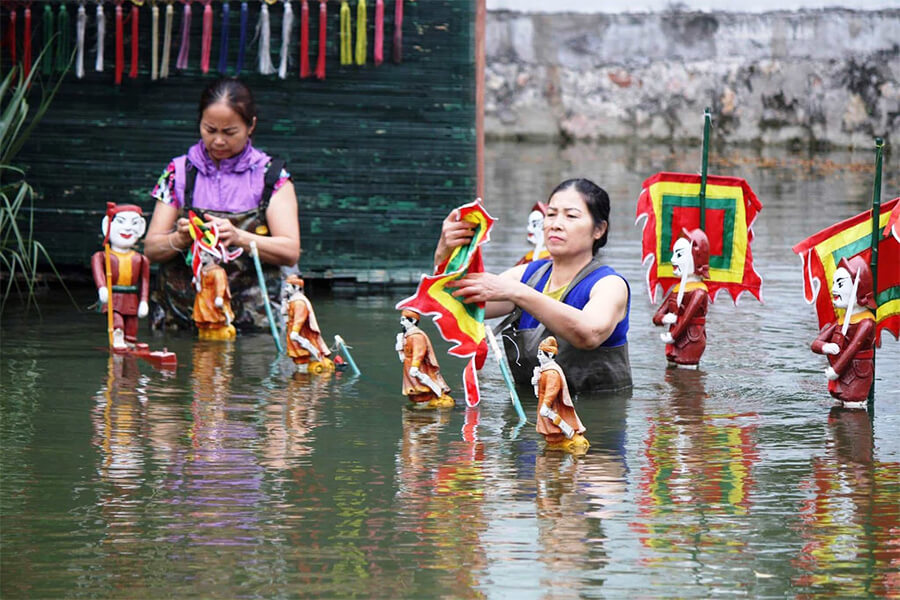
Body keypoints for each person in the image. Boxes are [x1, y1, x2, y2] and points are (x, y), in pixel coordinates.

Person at [438, 178, 631, 393]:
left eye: (571, 216)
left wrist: (518, 293)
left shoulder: (609, 285)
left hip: (595, 419)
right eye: (551, 214)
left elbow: (589, 334)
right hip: (531, 414)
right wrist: (445, 253)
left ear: (599, 230)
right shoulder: (528, 275)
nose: (555, 224)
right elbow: (455, 307)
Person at [144, 77, 300, 332]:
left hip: (254, 326)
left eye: (229, 132)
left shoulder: (273, 177)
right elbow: (151, 250)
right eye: (209, 129)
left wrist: (239, 237)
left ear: (251, 126)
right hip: (181, 321)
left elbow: (290, 250)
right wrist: (181, 239)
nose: (218, 141)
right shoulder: (178, 172)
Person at [810, 256, 876, 408]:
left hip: (856, 375)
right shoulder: (841, 320)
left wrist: (836, 370)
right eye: (834, 283)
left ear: (858, 287)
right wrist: (825, 347)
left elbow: (852, 349)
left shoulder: (866, 322)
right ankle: (835, 432)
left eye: (840, 284)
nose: (834, 289)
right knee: (837, 409)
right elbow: (816, 343)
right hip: (839, 376)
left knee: (854, 409)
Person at [91, 202, 151, 349]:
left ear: (141, 227)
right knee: (117, 322)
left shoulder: (141, 259)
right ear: (107, 225)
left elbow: (145, 282)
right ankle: (118, 340)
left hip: (131, 297)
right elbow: (99, 275)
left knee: (132, 324)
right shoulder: (102, 256)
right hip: (113, 297)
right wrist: (102, 289)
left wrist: (144, 301)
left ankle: (130, 344)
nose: (128, 228)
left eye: (134, 223)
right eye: (121, 222)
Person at [652, 228, 709, 368]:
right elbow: (657, 316)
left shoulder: (699, 292)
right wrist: (664, 319)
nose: (672, 260)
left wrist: (673, 336)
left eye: (679, 255)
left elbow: (687, 318)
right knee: (671, 374)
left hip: (690, 340)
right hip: (674, 339)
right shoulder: (677, 290)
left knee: (687, 377)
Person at [533, 336, 589, 453]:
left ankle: (564, 438)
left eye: (541, 354)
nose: (538, 356)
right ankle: (554, 443)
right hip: (543, 402)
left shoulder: (552, 372)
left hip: (551, 405)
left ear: (550, 355)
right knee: (547, 426)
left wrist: (546, 404)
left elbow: (551, 390)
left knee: (553, 422)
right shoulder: (544, 371)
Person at [396, 308, 454, 408]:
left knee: (421, 385)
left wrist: (415, 366)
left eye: (404, 320)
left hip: (417, 365)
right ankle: (419, 401)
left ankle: (430, 398)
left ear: (413, 321)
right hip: (408, 363)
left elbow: (419, 352)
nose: (402, 322)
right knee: (413, 386)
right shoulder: (406, 335)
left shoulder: (417, 336)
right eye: (401, 320)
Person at [284, 275, 335, 374]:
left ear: (297, 287)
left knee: (302, 359)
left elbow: (300, 319)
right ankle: (301, 379)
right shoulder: (292, 301)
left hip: (300, 333)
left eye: (288, 286)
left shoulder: (299, 302)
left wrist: (295, 331)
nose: (286, 289)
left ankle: (302, 382)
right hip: (294, 333)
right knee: (299, 360)